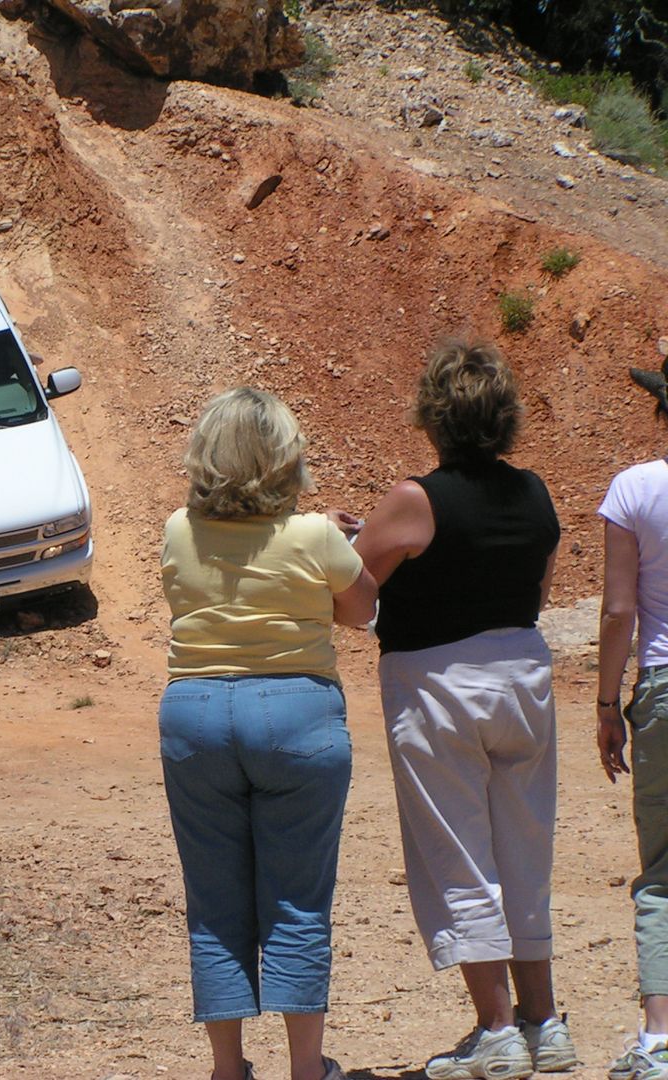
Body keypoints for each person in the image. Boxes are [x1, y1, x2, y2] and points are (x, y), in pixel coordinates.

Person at [352, 340, 574, 1080]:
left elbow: (352, 599)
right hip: (524, 679)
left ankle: (497, 1029)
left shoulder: (416, 498)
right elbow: (536, 593)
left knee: (458, 853)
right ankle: (545, 1024)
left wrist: (349, 542)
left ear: (435, 415)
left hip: (438, 684)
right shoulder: (537, 493)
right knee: (523, 852)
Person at [159, 387, 378, 1080]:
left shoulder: (175, 529)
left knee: (215, 904)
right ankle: (308, 1070)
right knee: (297, 900)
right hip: (296, 716)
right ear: (285, 458)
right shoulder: (315, 535)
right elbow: (362, 610)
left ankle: (229, 1069)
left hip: (194, 714)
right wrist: (338, 543)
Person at [595, 357, 668, 1080]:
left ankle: (660, 1038)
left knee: (663, 873)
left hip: (667, 688)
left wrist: (605, 703)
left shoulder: (636, 488)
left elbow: (620, 610)